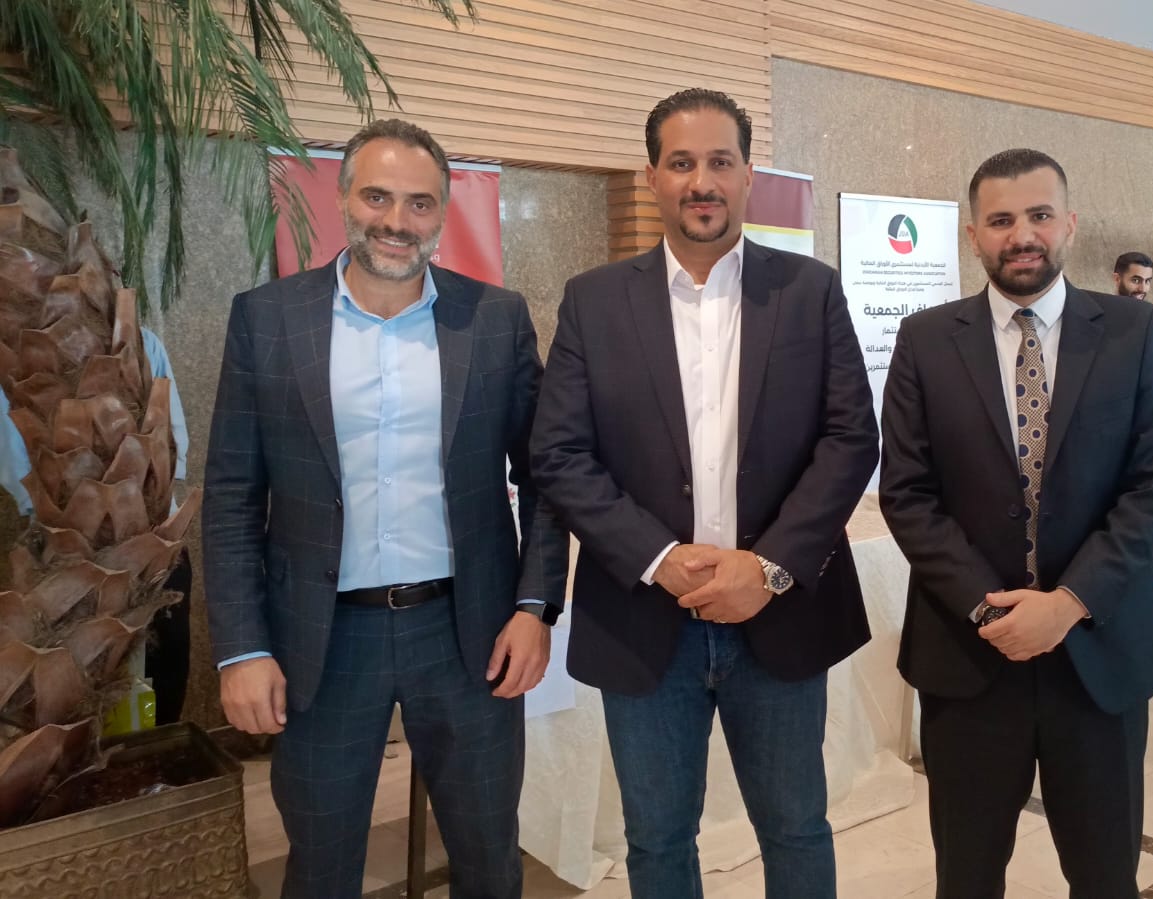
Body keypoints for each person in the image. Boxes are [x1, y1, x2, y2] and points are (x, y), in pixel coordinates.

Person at [203, 119, 568, 899]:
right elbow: (232, 493)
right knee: (321, 866)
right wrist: (241, 647)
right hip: (323, 642)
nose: (396, 221)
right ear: (341, 199)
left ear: (442, 214)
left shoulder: (494, 318)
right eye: (377, 197)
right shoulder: (268, 318)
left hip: (467, 635)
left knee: (488, 858)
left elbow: (544, 474)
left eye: (419, 203)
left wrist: (534, 606)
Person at [530, 89, 878, 899]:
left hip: (780, 613)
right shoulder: (593, 300)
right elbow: (559, 451)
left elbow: (849, 439)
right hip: (642, 617)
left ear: (748, 175)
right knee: (656, 840)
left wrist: (769, 566)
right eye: (681, 162)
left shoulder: (810, 291)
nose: (701, 181)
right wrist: (656, 556)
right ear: (653, 175)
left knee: (795, 826)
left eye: (720, 161)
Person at [880, 148, 1153, 899]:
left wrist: (1068, 603)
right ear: (973, 235)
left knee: (1105, 875)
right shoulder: (925, 340)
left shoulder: (1135, 331)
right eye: (1001, 220)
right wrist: (991, 611)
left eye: (1040, 215)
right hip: (970, 659)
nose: (1022, 235)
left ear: (1069, 223)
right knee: (967, 875)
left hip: (1100, 655)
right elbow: (908, 494)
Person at [1, 328, 192, 723]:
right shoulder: (11, 350)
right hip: (63, 565)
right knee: (78, 705)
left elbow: (172, 443)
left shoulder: (141, 339)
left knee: (161, 690)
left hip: (151, 553)